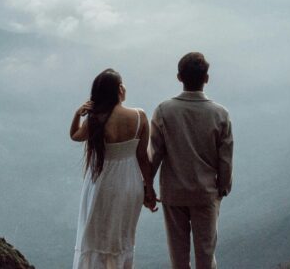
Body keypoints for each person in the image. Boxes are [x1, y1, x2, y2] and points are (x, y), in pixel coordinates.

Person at [146, 52, 233, 269]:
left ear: (179, 77)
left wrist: (147, 187)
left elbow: (154, 154)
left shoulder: (163, 111)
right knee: (206, 255)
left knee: (178, 257)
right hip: (205, 193)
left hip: (173, 194)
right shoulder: (220, 114)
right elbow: (225, 158)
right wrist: (222, 187)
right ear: (206, 78)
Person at [69, 68, 154, 269]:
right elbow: (143, 157)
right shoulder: (140, 116)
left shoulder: (96, 119)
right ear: (119, 89)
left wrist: (77, 114)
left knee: (95, 237)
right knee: (122, 237)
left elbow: (75, 136)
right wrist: (149, 189)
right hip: (130, 184)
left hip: (101, 183)